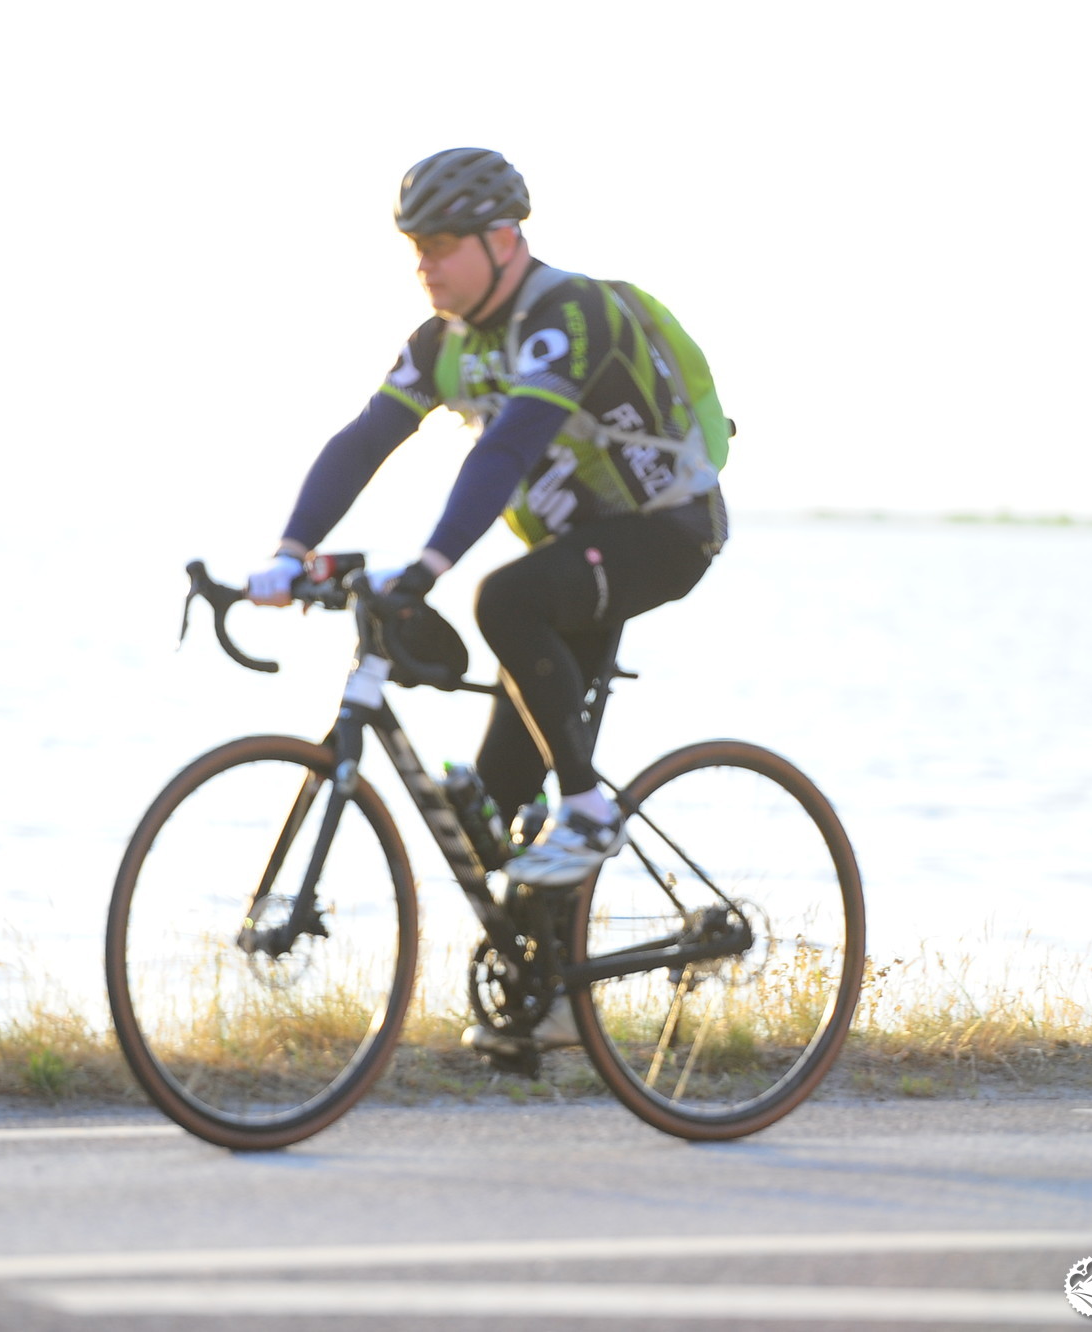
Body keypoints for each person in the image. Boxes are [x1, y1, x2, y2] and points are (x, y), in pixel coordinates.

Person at [246, 147, 729, 1051]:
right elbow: (366, 439)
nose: (423, 265)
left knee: (503, 599)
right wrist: (289, 550)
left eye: (440, 245)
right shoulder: (443, 344)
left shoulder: (567, 314)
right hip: (573, 553)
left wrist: (429, 565)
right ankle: (547, 996)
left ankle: (588, 811)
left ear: (503, 239)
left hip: (666, 530)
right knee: (492, 797)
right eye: (415, 248)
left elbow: (504, 451)